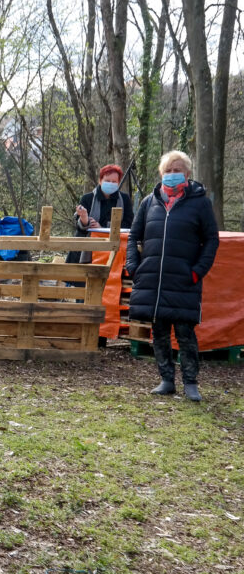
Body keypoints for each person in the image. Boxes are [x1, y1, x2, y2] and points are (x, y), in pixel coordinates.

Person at [125, 151, 219, 402]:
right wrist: (133, 267)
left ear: (187, 174)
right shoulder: (149, 202)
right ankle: (166, 380)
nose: (172, 174)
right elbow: (134, 237)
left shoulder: (200, 202)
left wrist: (197, 272)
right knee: (160, 331)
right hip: (154, 279)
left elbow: (211, 240)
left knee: (186, 332)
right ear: (161, 173)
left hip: (184, 280)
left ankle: (191, 383)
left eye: (177, 170)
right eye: (168, 170)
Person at [67, 164, 135, 266]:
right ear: (100, 181)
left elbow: (128, 224)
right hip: (84, 250)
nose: (110, 184)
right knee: (79, 278)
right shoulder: (87, 198)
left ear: (118, 183)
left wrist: (102, 228)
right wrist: (84, 218)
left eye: (114, 182)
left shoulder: (125, 199)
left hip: (114, 249)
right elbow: (80, 228)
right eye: (107, 181)